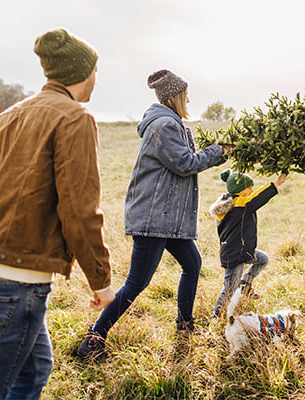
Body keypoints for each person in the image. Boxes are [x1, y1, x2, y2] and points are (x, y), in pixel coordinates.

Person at [0, 28, 115, 399]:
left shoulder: (6, 116)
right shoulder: (76, 117)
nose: (96, 77)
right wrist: (101, 280)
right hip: (14, 281)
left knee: (34, 370)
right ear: (82, 72)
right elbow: (79, 208)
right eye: (95, 69)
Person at [76, 69, 228, 361]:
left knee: (192, 263)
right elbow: (184, 163)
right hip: (154, 217)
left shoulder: (170, 123)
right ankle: (94, 340)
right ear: (174, 97)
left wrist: (219, 151)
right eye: (185, 94)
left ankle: (184, 327)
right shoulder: (164, 126)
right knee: (137, 281)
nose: (189, 99)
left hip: (164, 217)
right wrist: (217, 151)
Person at [209, 169, 287, 318]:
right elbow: (258, 197)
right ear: (240, 190)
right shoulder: (241, 204)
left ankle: (245, 283)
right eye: (249, 187)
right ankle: (216, 316)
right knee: (229, 289)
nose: (252, 190)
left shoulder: (231, 203)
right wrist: (275, 184)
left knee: (262, 259)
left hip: (242, 250)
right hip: (235, 254)